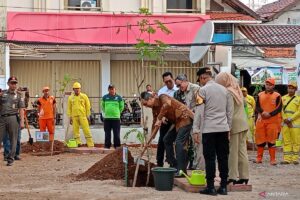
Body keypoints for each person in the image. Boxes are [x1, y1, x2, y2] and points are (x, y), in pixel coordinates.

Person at [193, 67, 233, 196]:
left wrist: (196, 130)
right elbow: (229, 113)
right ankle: (223, 187)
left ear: (203, 77)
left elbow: (199, 112)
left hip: (209, 130)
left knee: (210, 158)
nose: (200, 82)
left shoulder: (202, 91)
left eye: (200, 79)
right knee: (223, 158)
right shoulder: (225, 90)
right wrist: (228, 128)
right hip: (223, 129)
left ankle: (210, 187)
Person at [140, 91, 194, 174]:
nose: (146, 106)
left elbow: (167, 104)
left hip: (184, 118)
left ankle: (182, 171)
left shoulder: (162, 97)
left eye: (145, 104)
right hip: (176, 122)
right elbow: (155, 123)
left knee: (179, 143)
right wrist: (150, 139)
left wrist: (159, 117)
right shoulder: (154, 109)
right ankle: (174, 164)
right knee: (166, 139)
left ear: (150, 99)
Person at [215, 72, 249, 185]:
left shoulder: (228, 92)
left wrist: (227, 127)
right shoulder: (237, 89)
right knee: (242, 151)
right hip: (243, 123)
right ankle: (244, 176)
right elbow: (244, 103)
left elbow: (228, 110)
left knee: (232, 152)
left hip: (234, 124)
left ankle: (232, 177)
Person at [175, 74, 205, 171]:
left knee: (199, 145)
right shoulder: (184, 92)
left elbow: (200, 106)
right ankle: (196, 166)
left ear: (185, 81)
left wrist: (190, 112)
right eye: (178, 86)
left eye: (180, 85)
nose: (179, 88)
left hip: (198, 121)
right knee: (194, 144)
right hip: (192, 120)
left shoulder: (195, 89)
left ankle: (201, 169)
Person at [255, 78, 282, 165]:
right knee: (260, 140)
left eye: (270, 84)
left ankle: (272, 159)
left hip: (272, 122)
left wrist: (269, 114)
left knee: (272, 141)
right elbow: (257, 106)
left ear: (273, 86)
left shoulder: (277, 96)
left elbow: (279, 108)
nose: (268, 86)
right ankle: (259, 158)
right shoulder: (260, 95)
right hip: (261, 121)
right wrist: (263, 113)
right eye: (267, 84)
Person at [0, 76, 25, 166]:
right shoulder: (2, 94)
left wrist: (22, 122)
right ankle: (6, 155)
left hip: (13, 118)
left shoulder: (18, 95)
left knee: (13, 139)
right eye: (12, 83)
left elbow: (21, 109)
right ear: (8, 84)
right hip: (2, 118)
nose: (13, 85)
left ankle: (10, 159)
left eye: (15, 83)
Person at [156, 72, 178, 167]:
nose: (168, 83)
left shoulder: (178, 89)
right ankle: (159, 162)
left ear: (173, 79)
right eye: (166, 82)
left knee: (176, 141)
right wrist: (162, 117)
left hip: (177, 119)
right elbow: (161, 107)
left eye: (170, 81)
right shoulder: (161, 91)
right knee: (162, 140)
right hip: (166, 119)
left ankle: (173, 163)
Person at [3, 86, 29, 161]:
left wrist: (22, 121)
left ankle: (16, 154)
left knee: (17, 138)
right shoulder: (4, 96)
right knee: (7, 138)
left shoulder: (20, 97)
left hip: (16, 118)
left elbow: (24, 106)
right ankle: (7, 154)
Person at [67, 82, 94, 147]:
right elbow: (69, 108)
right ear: (73, 89)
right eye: (76, 89)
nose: (77, 90)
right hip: (74, 116)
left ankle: (90, 144)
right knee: (75, 131)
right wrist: (70, 117)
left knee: (86, 129)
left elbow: (88, 106)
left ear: (80, 89)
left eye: (78, 88)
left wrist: (88, 115)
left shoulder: (84, 96)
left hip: (83, 116)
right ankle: (78, 143)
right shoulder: (70, 98)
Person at [281, 81, 300, 165]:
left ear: (295, 89)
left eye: (292, 88)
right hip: (285, 123)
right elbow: (280, 110)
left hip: (295, 124)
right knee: (286, 141)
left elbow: (299, 111)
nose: (290, 90)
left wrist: (290, 119)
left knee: (296, 141)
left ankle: (295, 159)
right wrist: (285, 119)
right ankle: (287, 159)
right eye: (289, 88)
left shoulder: (298, 99)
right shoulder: (283, 98)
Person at [101, 84, 124, 149]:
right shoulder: (105, 97)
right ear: (108, 90)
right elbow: (102, 106)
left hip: (116, 118)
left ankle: (117, 146)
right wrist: (106, 112)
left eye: (113, 89)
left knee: (116, 133)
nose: (111, 90)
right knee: (107, 133)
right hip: (107, 118)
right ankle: (107, 145)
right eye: (110, 89)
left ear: (115, 89)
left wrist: (117, 112)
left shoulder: (119, 98)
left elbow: (121, 107)